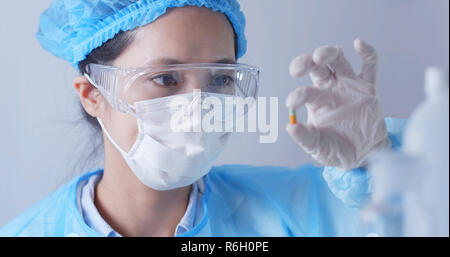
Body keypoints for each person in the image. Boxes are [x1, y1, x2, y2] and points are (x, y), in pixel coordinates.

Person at [0, 0, 405, 237]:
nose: (198, 105)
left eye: (220, 79)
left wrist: (377, 168)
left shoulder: (293, 213)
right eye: (165, 78)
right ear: (93, 96)